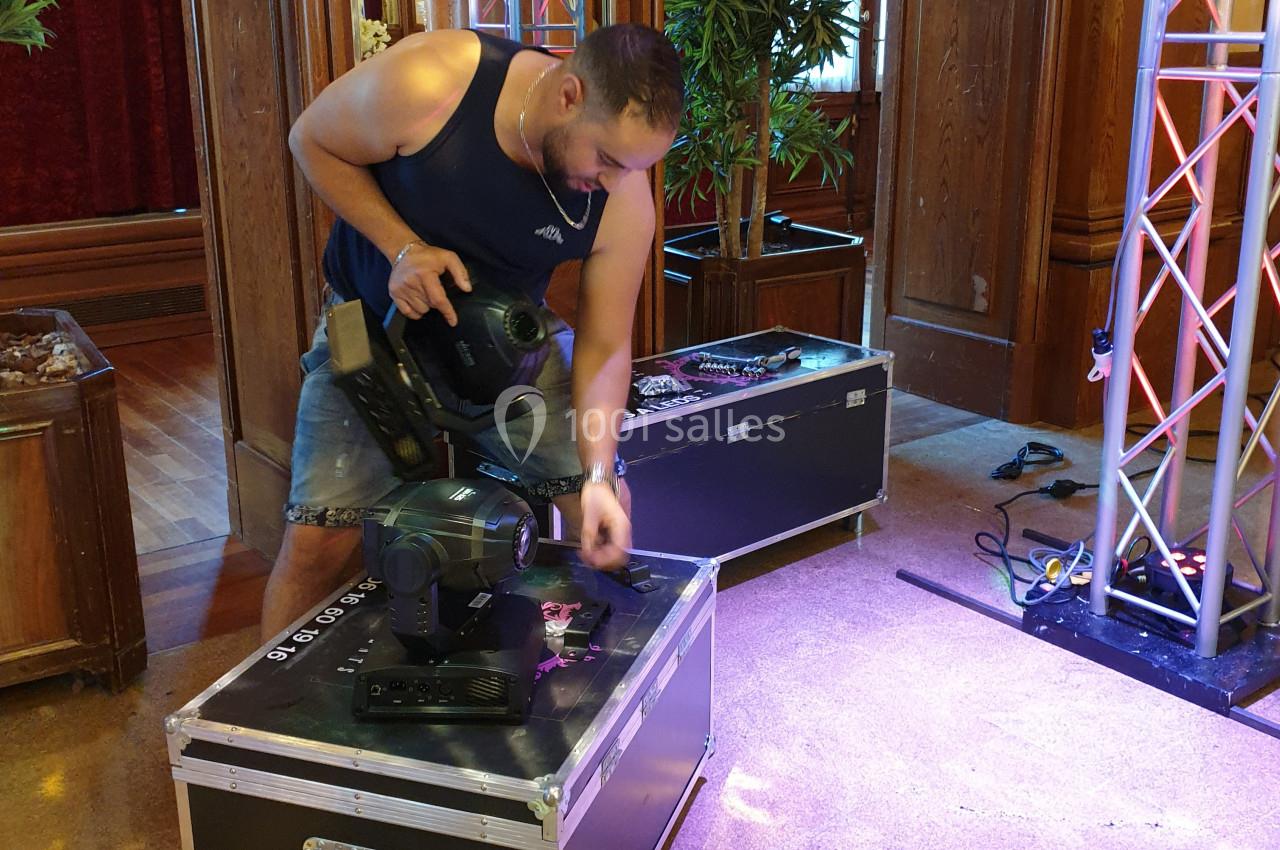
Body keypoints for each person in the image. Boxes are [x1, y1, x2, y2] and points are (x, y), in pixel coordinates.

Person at [259, 23, 684, 640]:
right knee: (316, 543)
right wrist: (402, 247)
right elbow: (311, 141)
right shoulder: (435, 80)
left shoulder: (622, 196)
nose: (616, 182)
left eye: (635, 168)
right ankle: (253, 728)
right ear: (569, 95)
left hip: (506, 344)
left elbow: (605, 344)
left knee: (605, 500)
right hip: (377, 331)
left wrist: (595, 476)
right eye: (609, 159)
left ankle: (586, 694)